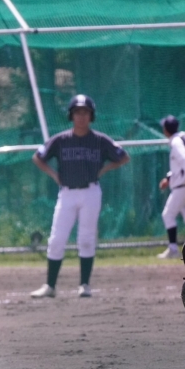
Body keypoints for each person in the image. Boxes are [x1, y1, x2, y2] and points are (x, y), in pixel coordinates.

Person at [30, 95, 130, 299]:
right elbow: (38, 157)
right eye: (77, 112)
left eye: (85, 112)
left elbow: (123, 157)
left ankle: (84, 285)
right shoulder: (60, 140)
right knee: (57, 239)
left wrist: (105, 169)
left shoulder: (100, 140)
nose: (81, 116)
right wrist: (54, 175)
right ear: (71, 115)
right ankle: (50, 286)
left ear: (91, 116)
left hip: (90, 192)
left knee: (86, 238)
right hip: (67, 193)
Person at [156, 115, 185, 259]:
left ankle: (173, 249)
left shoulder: (176, 142)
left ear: (166, 129)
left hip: (183, 187)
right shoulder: (179, 139)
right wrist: (169, 178)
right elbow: (180, 166)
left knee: (168, 215)